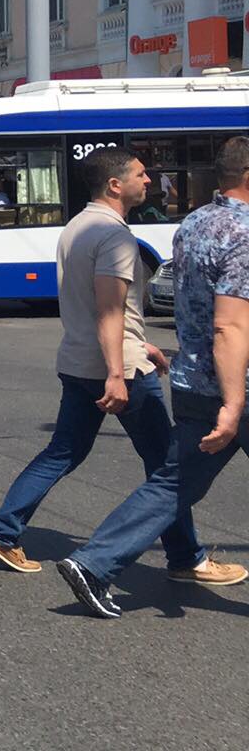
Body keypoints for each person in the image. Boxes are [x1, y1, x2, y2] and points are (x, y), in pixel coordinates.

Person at [0, 148, 235, 592]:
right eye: (139, 174)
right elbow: (108, 308)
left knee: (64, 452)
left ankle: (2, 531)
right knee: (168, 468)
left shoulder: (77, 226)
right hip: (118, 371)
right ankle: (185, 557)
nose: (149, 180)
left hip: (78, 359)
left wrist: (141, 341)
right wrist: (118, 369)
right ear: (115, 185)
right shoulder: (114, 236)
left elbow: (101, 308)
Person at [56, 138, 249, 617]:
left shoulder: (196, 223)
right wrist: (233, 401)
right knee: (174, 482)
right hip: (235, 386)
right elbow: (230, 324)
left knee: (174, 483)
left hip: (194, 379)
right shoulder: (243, 233)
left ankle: (94, 562)